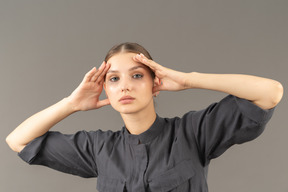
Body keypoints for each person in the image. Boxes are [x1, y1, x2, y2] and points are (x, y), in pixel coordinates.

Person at [6, 42, 283, 192]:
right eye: (113, 79)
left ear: (155, 83)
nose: (124, 85)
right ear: (107, 89)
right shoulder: (98, 149)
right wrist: (71, 103)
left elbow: (270, 92)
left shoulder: (194, 132)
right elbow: (18, 140)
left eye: (137, 76)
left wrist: (188, 80)